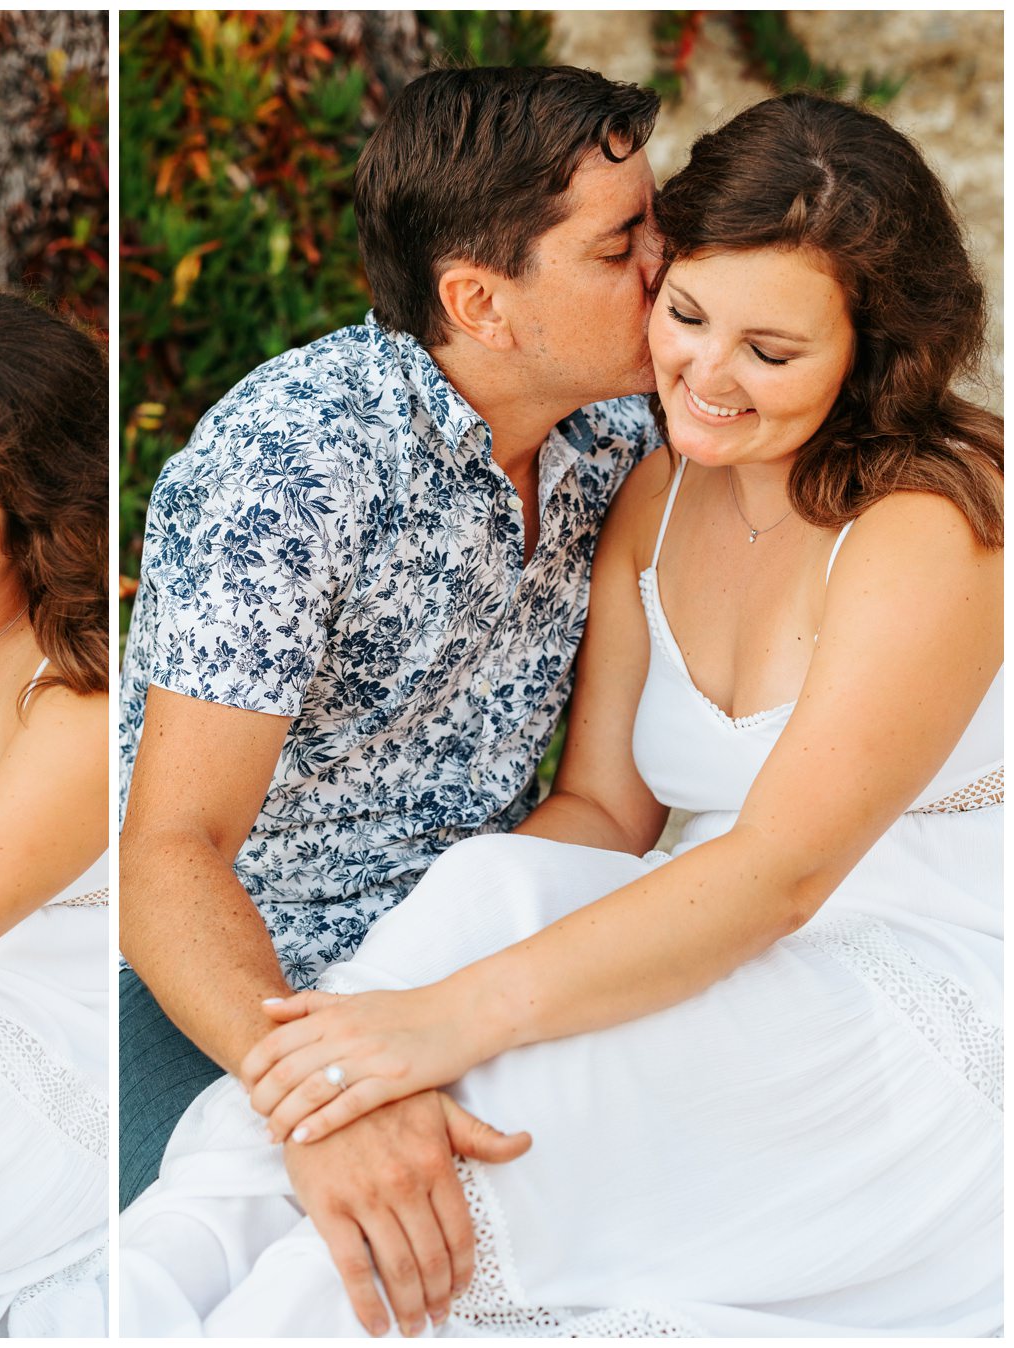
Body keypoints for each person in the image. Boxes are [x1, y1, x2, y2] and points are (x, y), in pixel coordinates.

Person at [122, 91, 1002, 1337]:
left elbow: (780, 873)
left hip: (887, 962)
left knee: (496, 1133)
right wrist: (390, 1024)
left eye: (775, 348)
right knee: (473, 915)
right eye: (675, 298)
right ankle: (149, 1287)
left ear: (870, 350)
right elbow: (600, 807)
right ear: (486, 302)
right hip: (361, 940)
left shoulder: (916, 521)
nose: (697, 357)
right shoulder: (626, 478)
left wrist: (440, 1018)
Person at [119, 64, 662, 1321]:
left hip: (474, 938)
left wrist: (443, 1010)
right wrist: (315, 1088)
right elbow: (168, 850)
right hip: (228, 971)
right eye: (623, 244)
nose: (669, 269)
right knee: (303, 1267)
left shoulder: (620, 431)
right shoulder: (294, 462)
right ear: (481, 301)